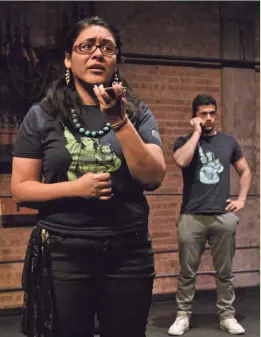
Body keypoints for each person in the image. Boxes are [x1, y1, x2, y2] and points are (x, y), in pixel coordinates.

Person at [11, 16, 166, 337]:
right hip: (64, 252)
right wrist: (77, 188)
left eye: (107, 48)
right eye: (87, 46)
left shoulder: (136, 111)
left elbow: (153, 177)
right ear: (68, 57)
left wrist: (119, 121)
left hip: (129, 251)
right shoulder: (42, 115)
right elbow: (21, 190)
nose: (97, 54)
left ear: (117, 60)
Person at [168, 94, 251, 335]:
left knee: (225, 272)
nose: (209, 118)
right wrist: (196, 133)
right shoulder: (184, 141)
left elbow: (245, 171)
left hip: (222, 216)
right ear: (195, 115)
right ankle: (183, 316)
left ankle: (227, 316)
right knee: (187, 272)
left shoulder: (228, 142)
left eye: (212, 113)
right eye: (203, 113)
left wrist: (242, 199)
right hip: (191, 216)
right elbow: (182, 161)